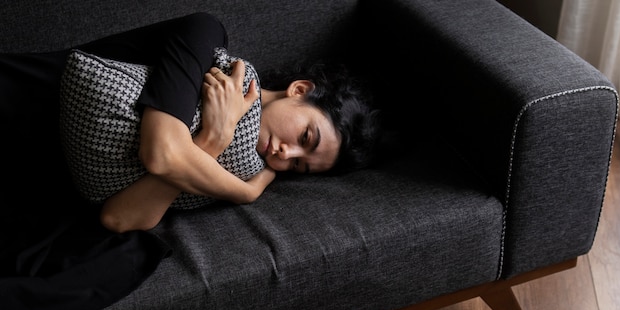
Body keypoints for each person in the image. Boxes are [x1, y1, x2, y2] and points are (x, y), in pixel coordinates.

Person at [1, 12, 380, 234]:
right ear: (299, 89)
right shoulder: (203, 37)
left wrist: (214, 139)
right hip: (17, 100)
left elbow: (119, 218)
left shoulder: (241, 160)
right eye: (305, 136)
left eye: (298, 164)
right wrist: (243, 190)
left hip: (31, 185)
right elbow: (161, 154)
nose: (285, 153)